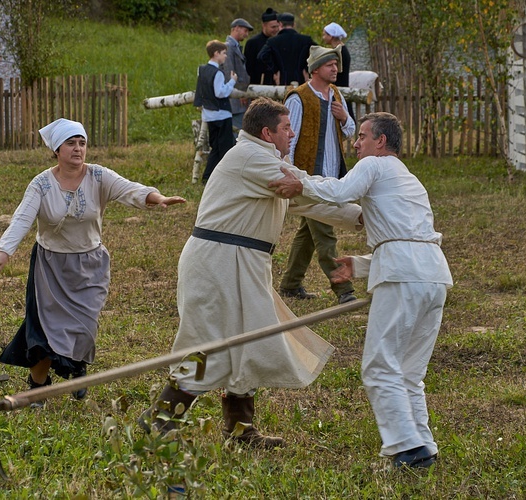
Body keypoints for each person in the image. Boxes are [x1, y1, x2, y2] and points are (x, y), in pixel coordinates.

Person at [138, 97, 363, 448]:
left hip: (241, 261)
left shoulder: (266, 159)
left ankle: (241, 431)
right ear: (266, 132)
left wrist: (357, 216)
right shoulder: (251, 158)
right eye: (286, 128)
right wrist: (357, 206)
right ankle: (159, 420)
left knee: (250, 342)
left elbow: (304, 199)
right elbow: (303, 186)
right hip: (219, 262)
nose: (292, 134)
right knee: (210, 344)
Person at [269, 112, 453, 468]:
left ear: (381, 142)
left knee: (380, 367)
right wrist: (363, 264)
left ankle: (406, 449)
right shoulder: (411, 181)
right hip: (432, 277)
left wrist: (300, 184)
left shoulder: (375, 166)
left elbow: (340, 193)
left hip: (404, 276)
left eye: (363, 136)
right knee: (409, 372)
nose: (356, 143)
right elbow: (410, 237)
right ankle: (423, 445)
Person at [0, 118, 185, 408]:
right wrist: (4, 251)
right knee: (41, 332)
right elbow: (22, 218)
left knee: (84, 328)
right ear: (57, 149)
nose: (78, 149)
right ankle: (38, 389)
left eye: (82, 143)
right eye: (71, 143)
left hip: (90, 266)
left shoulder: (98, 177)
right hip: (49, 268)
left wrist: (157, 197)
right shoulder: (41, 184)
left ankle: (77, 368)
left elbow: (129, 189)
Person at [278, 45, 356, 304]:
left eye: (336, 64)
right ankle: (344, 290)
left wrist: (344, 117)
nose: (335, 68)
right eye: (330, 64)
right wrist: (290, 172)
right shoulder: (298, 98)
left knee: (308, 232)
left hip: (331, 176)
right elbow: (289, 138)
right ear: (315, 69)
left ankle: (290, 284)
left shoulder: (335, 94)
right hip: (307, 178)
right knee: (324, 233)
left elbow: (350, 131)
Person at [193, 40, 237, 183]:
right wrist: (232, 82)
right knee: (225, 147)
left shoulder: (202, 70)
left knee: (215, 148)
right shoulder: (217, 72)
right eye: (223, 53)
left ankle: (208, 176)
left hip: (209, 114)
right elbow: (220, 92)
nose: (225, 56)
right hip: (221, 114)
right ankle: (225, 177)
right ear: (216, 53)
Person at [257, 12, 316, 86]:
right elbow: (318, 53)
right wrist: (307, 68)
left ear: (280, 24)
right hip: (301, 78)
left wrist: (275, 69)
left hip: (282, 78)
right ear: (293, 24)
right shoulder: (306, 40)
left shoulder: (273, 41)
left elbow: (262, 56)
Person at [222, 18, 253, 134]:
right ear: (236, 29)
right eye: (245, 30)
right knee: (238, 130)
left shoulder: (235, 47)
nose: (246, 34)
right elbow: (229, 71)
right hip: (236, 98)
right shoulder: (228, 47)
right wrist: (240, 92)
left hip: (240, 96)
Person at [321, 22, 354, 122]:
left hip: (340, 89)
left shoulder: (340, 52)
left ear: (331, 36)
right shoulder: (339, 50)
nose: (323, 37)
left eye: (325, 34)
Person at [244, 8, 280, 86]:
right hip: (258, 84)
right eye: (273, 27)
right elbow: (248, 68)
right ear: (264, 25)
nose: (276, 30)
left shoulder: (280, 41)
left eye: (278, 27)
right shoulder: (253, 43)